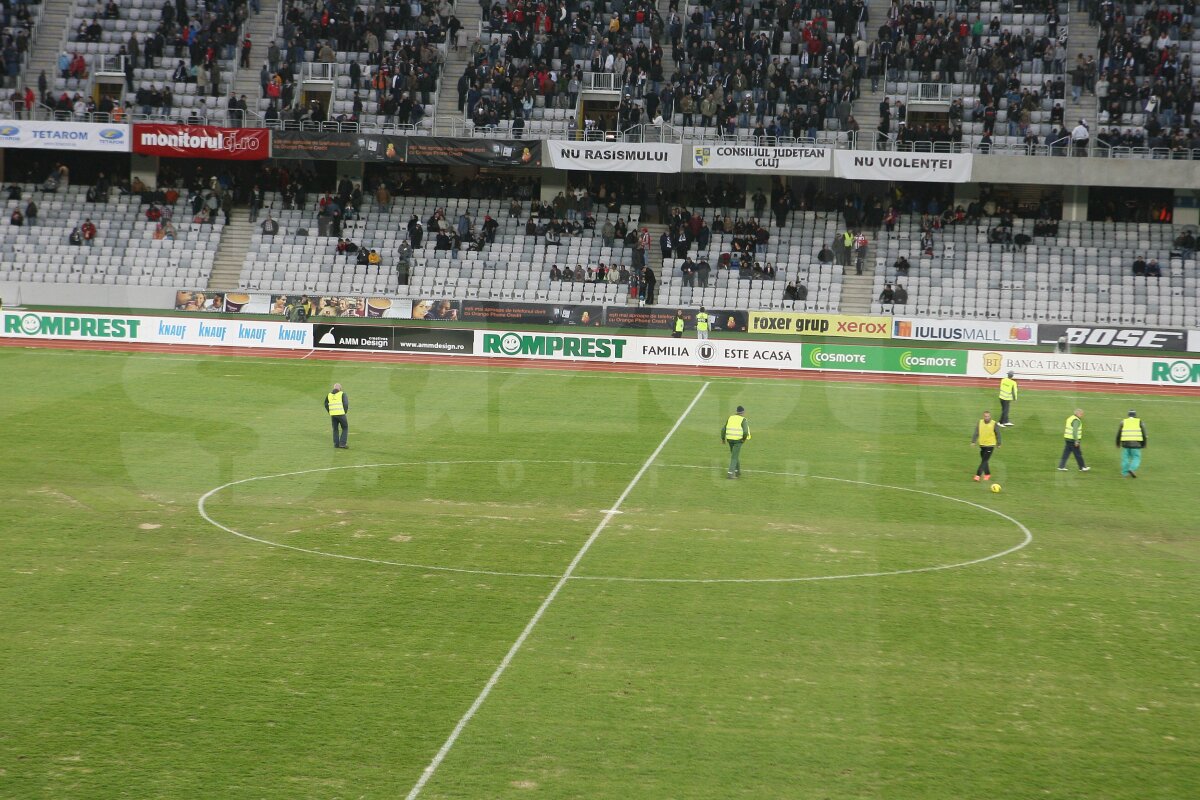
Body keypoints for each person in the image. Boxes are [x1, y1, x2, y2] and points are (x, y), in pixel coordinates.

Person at [971, 410, 1001, 482]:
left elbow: (998, 434)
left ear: (990, 416)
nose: (986, 417)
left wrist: (999, 443)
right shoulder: (980, 422)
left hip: (990, 444)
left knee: (984, 460)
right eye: (985, 416)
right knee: (984, 460)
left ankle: (978, 475)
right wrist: (973, 441)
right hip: (982, 444)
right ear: (983, 416)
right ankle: (987, 474)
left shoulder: (994, 423)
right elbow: (976, 432)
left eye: (988, 416)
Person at [721, 405, 750, 479]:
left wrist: (723, 439)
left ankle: (738, 472)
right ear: (743, 412)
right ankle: (730, 474)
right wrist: (743, 439)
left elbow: (723, 429)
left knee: (734, 455)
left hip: (729, 439)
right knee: (734, 457)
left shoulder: (730, 417)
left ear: (737, 412)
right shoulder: (743, 419)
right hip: (738, 440)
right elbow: (746, 431)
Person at [1115, 410, 1146, 478]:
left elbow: (1119, 434)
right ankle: (1131, 469)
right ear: (1135, 415)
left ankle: (1124, 474)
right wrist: (1144, 444)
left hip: (1125, 443)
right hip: (1136, 444)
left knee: (1125, 458)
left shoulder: (1123, 422)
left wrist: (1117, 443)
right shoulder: (1140, 422)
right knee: (1136, 458)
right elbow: (1144, 434)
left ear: (1128, 415)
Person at [325, 383, 349, 449]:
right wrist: (344, 411)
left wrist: (330, 411)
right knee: (345, 428)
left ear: (334, 388)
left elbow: (326, 404)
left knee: (335, 429)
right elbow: (346, 404)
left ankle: (336, 444)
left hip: (333, 415)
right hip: (341, 414)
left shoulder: (329, 395)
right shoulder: (342, 394)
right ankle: (342, 444)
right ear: (340, 388)